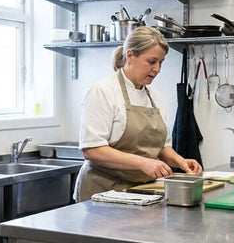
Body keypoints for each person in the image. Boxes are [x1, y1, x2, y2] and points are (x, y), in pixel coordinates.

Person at [74, 26, 202, 201]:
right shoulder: (103, 91)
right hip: (103, 192)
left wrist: (180, 161)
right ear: (130, 56)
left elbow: (162, 147)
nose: (157, 69)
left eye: (161, 63)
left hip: (141, 192)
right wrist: (142, 162)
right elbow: (92, 149)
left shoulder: (154, 97)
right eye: (151, 61)